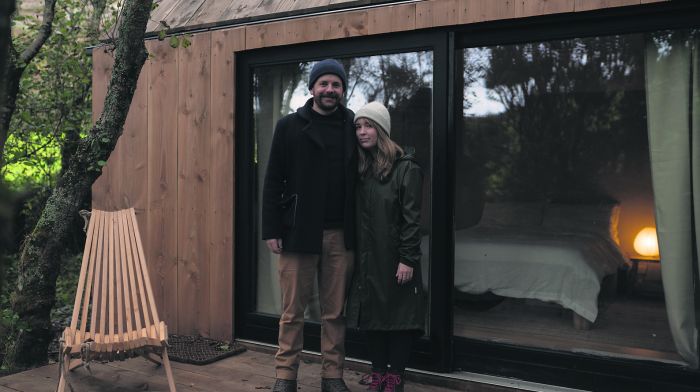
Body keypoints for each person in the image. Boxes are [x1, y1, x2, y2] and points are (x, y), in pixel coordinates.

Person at [262, 59, 357, 392]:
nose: (330, 90)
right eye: (324, 84)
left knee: (335, 313)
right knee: (292, 312)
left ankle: (333, 376)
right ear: (312, 88)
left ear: (342, 90)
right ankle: (285, 376)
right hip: (297, 232)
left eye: (336, 85)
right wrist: (271, 229)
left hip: (340, 235)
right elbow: (273, 179)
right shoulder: (289, 126)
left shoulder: (352, 126)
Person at [346, 102, 425, 392]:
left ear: (381, 130)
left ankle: (396, 377)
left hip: (396, 257)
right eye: (357, 126)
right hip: (368, 257)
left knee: (400, 316)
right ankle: (378, 372)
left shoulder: (406, 169)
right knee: (373, 315)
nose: (362, 132)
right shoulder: (361, 169)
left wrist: (408, 259)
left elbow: (412, 220)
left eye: (368, 126)